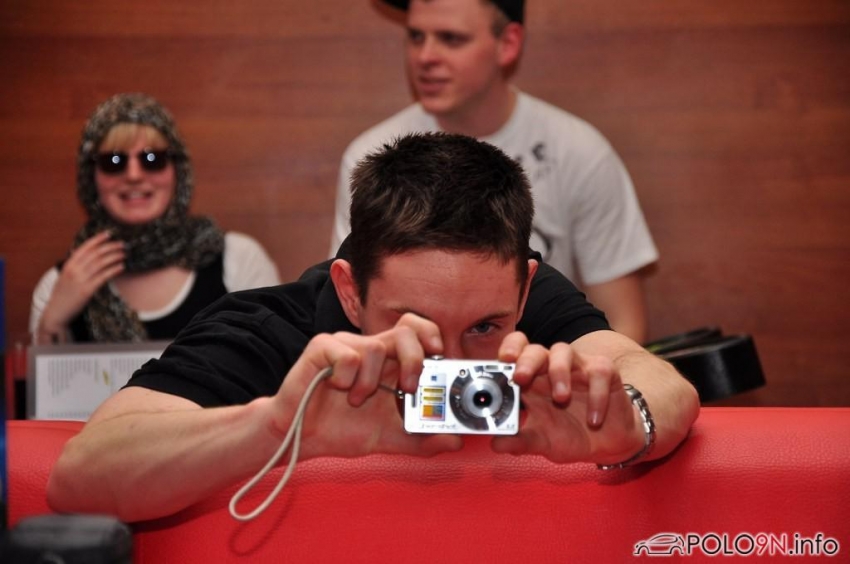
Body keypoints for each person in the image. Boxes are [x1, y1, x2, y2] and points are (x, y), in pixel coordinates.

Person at [47, 132, 699, 523]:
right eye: (415, 325)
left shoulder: (520, 297)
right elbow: (79, 477)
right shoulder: (268, 327)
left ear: (525, 287)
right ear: (349, 290)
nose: (447, 362)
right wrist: (280, 427)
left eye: (483, 327)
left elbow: (660, 382)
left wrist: (629, 423)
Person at [330, 0, 657, 342]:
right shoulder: (371, 155)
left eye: (451, 38)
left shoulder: (578, 152)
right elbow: (353, 306)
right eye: (415, 36)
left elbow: (624, 327)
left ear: (508, 43)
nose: (425, 57)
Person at [29, 93, 280, 344]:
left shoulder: (238, 261)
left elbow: (276, 360)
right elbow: (43, 370)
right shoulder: (57, 287)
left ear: (178, 171)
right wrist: (53, 324)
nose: (134, 175)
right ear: (90, 178)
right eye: (113, 161)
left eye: (152, 159)